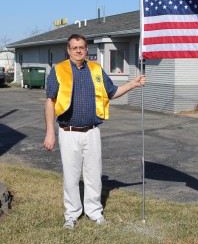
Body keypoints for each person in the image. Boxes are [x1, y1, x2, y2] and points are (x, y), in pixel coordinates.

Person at [43, 34, 146, 229]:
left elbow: (111, 92)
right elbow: (51, 101)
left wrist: (133, 84)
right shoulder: (59, 70)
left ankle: (94, 212)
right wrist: (50, 132)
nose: (79, 50)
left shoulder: (96, 70)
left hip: (92, 132)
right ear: (68, 50)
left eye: (82, 47)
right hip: (68, 131)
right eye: (74, 48)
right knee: (71, 176)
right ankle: (72, 214)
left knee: (93, 174)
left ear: (87, 49)